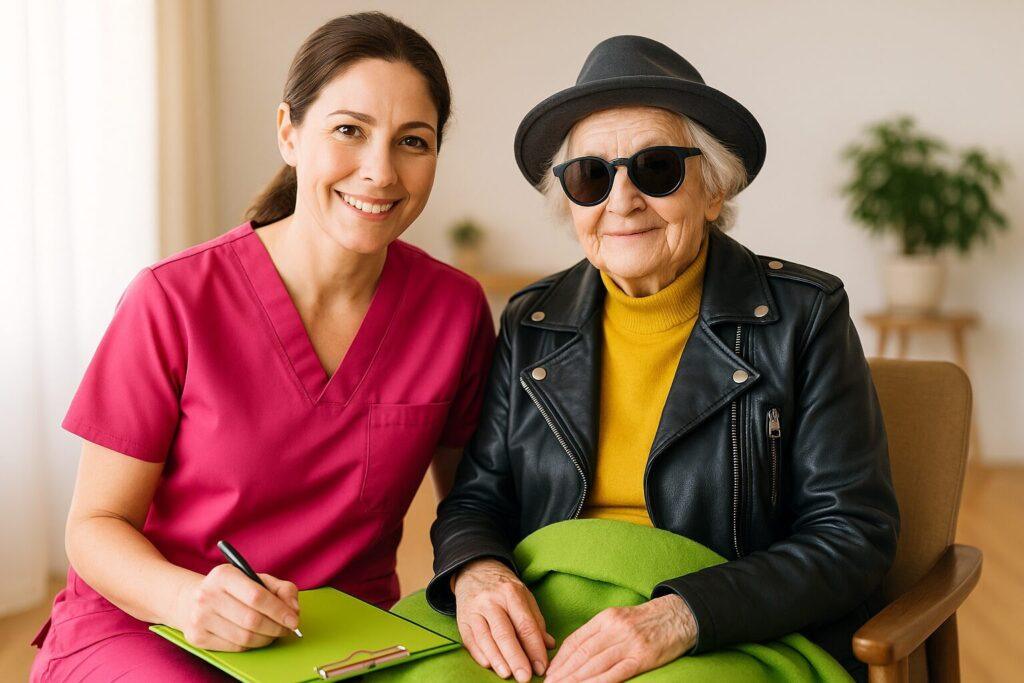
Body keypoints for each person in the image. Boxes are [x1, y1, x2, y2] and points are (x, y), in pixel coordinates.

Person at [30, 12, 494, 681]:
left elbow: (470, 503)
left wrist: (484, 578)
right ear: (289, 133)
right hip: (150, 625)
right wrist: (189, 599)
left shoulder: (453, 310)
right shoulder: (172, 299)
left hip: (341, 638)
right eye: (349, 131)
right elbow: (94, 525)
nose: (379, 170)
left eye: (412, 142)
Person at [427, 35, 899, 683]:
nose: (620, 201)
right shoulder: (532, 319)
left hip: (724, 627)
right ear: (570, 203)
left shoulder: (805, 314)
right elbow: (477, 497)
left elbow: (851, 536)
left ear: (712, 189)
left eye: (656, 168)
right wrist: (478, 571)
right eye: (591, 175)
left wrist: (682, 613)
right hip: (547, 613)